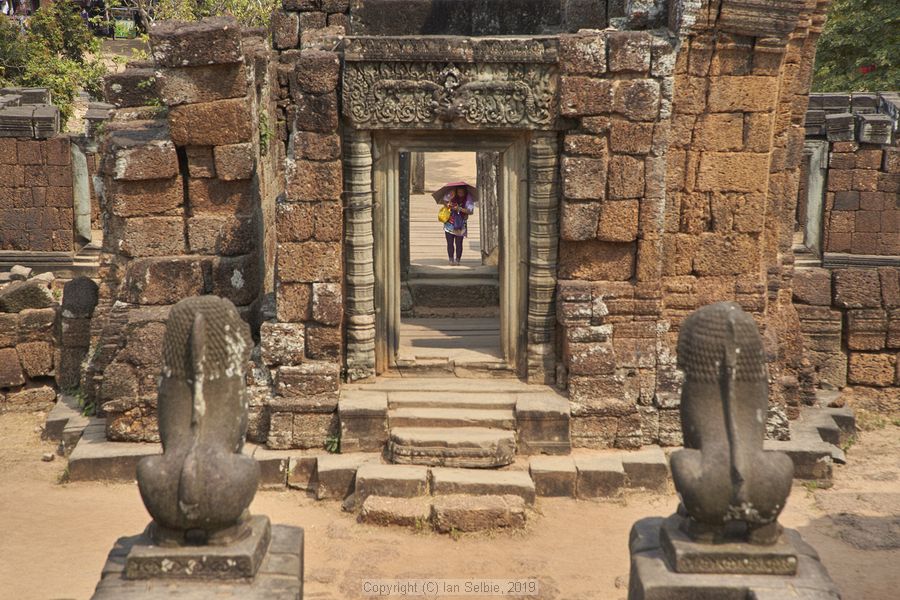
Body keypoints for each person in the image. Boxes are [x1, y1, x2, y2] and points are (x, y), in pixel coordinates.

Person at [443, 186, 474, 266]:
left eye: (462, 193)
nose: (460, 194)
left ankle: (457, 259)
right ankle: (450, 259)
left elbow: (470, 211)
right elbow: (445, 202)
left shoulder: (468, 198)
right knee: (449, 242)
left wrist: (459, 209)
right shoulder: (451, 194)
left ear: (465, 192)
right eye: (458, 192)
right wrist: (449, 203)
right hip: (449, 222)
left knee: (459, 243)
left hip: (460, 224)